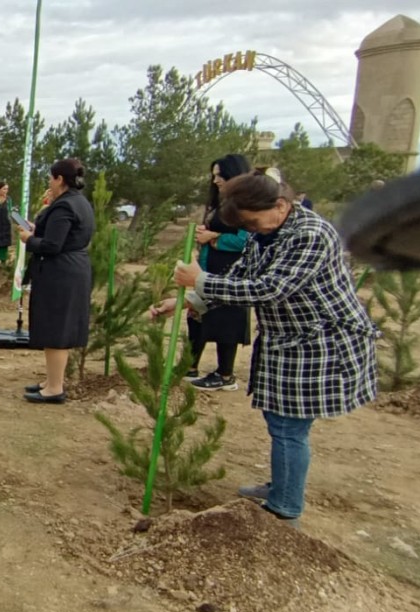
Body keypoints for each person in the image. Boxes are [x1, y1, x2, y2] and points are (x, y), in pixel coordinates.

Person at [158, 170, 378, 529]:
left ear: (280, 205)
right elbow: (240, 279)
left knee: (289, 427)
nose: (252, 230)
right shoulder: (268, 234)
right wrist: (189, 300)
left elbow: (270, 288)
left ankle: (285, 508)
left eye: (253, 222)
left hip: (320, 344)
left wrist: (200, 278)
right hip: (288, 343)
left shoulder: (311, 235)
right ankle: (283, 485)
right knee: (281, 422)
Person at [18, 158, 95, 404]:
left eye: (51, 178)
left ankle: (54, 388)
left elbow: (53, 245)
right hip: (71, 269)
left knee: (56, 330)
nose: (49, 183)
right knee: (57, 328)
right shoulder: (79, 202)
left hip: (61, 273)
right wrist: (36, 229)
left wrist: (29, 239)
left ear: (60, 179)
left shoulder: (64, 206)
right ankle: (52, 380)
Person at [187, 154, 253, 391]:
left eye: (220, 175)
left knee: (226, 321)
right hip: (209, 268)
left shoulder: (246, 205)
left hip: (232, 273)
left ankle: (225, 375)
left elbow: (246, 241)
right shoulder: (220, 202)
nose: (215, 180)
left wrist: (214, 237)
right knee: (197, 315)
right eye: (213, 175)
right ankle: (190, 365)